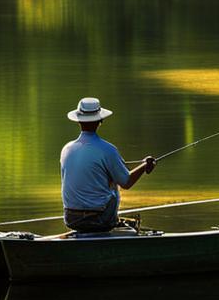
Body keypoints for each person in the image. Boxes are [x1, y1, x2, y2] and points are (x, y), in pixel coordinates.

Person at [60, 97, 155, 233]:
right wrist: (145, 166)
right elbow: (126, 182)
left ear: (79, 121)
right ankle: (112, 222)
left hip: (71, 218)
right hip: (99, 220)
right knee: (114, 185)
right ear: (100, 121)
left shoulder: (66, 149)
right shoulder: (107, 150)